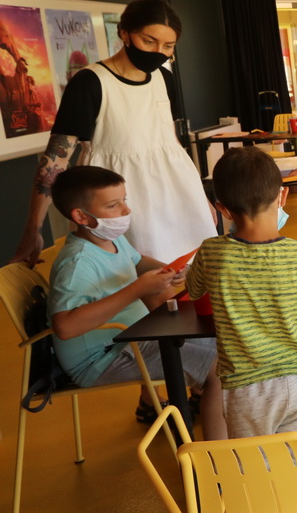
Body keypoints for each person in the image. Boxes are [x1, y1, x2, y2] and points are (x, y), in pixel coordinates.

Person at [11, 0, 216, 267]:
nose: (158, 52)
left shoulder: (164, 78)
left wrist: (199, 196)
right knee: (140, 275)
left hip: (177, 192)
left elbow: (170, 141)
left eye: (168, 46)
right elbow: (56, 159)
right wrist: (33, 228)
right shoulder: (90, 82)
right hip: (122, 195)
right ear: (124, 33)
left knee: (197, 269)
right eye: (149, 41)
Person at [186, 146, 297, 439]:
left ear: (222, 209)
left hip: (244, 388)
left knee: (255, 461)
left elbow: (193, 290)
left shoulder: (211, 252)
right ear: (282, 196)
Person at [47, 166, 226, 438]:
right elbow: (65, 327)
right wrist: (137, 289)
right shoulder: (77, 264)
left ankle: (208, 401)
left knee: (224, 345)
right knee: (218, 370)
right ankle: (214, 455)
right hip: (102, 358)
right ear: (81, 216)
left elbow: (137, 261)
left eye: (124, 200)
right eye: (113, 205)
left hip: (132, 339)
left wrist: (170, 270)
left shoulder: (110, 239)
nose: (126, 210)